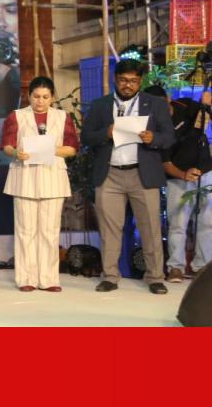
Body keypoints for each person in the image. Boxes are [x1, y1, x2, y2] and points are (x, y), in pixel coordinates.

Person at [80, 59, 175, 294]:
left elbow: (169, 137)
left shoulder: (154, 104)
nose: (127, 85)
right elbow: (86, 137)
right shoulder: (101, 105)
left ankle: (155, 277)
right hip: (110, 174)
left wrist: (153, 138)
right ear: (115, 79)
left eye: (133, 81)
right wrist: (106, 133)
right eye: (123, 80)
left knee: (150, 228)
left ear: (140, 82)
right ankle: (110, 276)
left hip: (143, 174)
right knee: (109, 229)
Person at [0, 76, 77, 292]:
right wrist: (16, 152)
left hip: (53, 176)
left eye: (45, 97)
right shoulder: (16, 116)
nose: (40, 101)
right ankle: (26, 278)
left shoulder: (62, 117)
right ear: (28, 96)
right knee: (25, 230)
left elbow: (71, 148)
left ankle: (49, 278)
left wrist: (46, 148)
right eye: (36, 96)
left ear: (52, 97)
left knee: (50, 231)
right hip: (24, 176)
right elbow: (6, 145)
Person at [162, 90, 212, 282]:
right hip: (177, 178)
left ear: (168, 99)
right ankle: (175, 267)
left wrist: (207, 104)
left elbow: (204, 120)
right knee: (178, 224)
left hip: (205, 171)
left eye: (163, 102)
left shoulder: (184, 105)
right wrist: (183, 174)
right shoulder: (155, 124)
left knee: (207, 222)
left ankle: (202, 268)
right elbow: (164, 162)